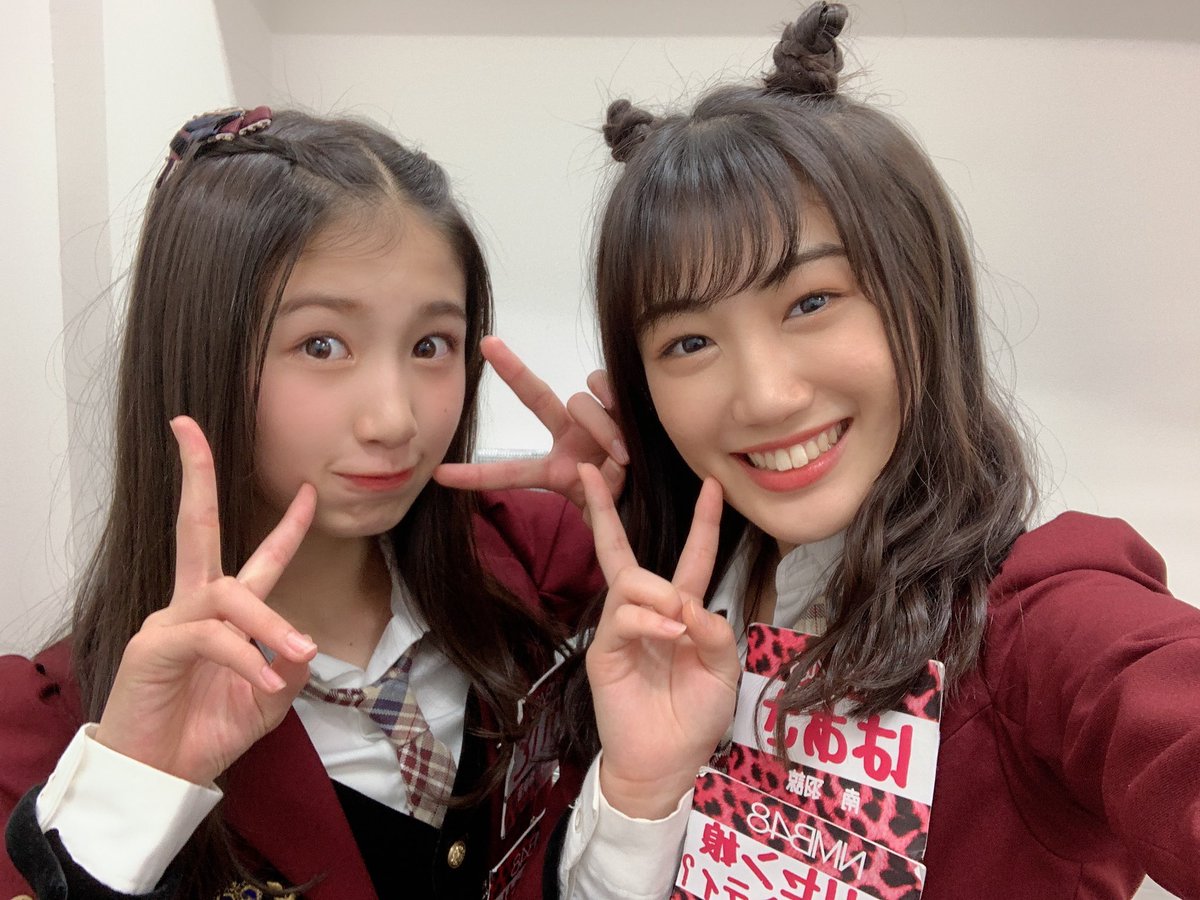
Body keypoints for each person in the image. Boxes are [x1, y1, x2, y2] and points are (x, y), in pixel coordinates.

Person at [554, 4, 1200, 899]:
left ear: (922, 297)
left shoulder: (1034, 627)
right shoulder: (672, 606)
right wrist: (640, 792)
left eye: (811, 302)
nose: (765, 396)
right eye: (689, 343)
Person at [0, 107, 624, 899]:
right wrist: (126, 801)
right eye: (321, 345)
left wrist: (645, 504)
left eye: (430, 345)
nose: (395, 420)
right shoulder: (52, 732)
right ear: (200, 353)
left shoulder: (540, 567)